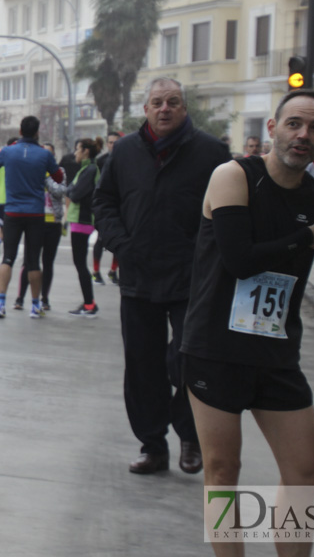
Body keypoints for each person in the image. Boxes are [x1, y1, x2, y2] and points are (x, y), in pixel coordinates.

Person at [180, 90, 314, 557]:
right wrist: (308, 237)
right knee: (224, 471)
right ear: (272, 129)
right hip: (215, 349)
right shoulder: (233, 177)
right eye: (294, 124)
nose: (302, 135)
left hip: (275, 355)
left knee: (306, 472)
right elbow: (239, 260)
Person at [93, 76, 230, 475]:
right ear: (147, 109)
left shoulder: (212, 153)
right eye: (157, 102)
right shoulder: (125, 153)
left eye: (173, 102)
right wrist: (122, 243)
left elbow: (229, 209)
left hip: (193, 280)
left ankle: (190, 436)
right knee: (142, 366)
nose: (165, 108)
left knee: (188, 362)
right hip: (138, 276)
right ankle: (153, 445)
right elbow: (105, 201)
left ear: (184, 108)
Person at [0, 115, 64, 319]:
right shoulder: (44, 155)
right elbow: (59, 177)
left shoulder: (8, 151)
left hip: (12, 212)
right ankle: (35, 306)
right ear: (37, 132)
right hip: (35, 213)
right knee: (33, 261)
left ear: (20, 131)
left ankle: (0, 303)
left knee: (8, 257)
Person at [14, 164, 67, 312]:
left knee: (48, 262)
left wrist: (47, 178)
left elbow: (60, 191)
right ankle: (20, 298)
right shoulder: (33, 169)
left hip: (53, 223)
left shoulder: (59, 172)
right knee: (29, 261)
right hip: (34, 221)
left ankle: (45, 298)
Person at [65, 138, 101, 317]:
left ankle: (89, 304)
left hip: (83, 220)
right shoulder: (86, 169)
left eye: (78, 149)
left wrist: (71, 190)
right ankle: (88, 302)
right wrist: (71, 190)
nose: (75, 153)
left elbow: (75, 193)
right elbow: (70, 189)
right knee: (79, 263)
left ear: (86, 151)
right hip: (80, 220)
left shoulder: (91, 169)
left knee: (80, 264)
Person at [92, 132, 121, 285]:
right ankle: (96, 271)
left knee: (119, 238)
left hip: (121, 205)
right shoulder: (100, 161)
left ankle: (113, 271)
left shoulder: (126, 159)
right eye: (110, 142)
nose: (112, 145)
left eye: (115, 142)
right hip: (104, 205)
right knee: (101, 239)